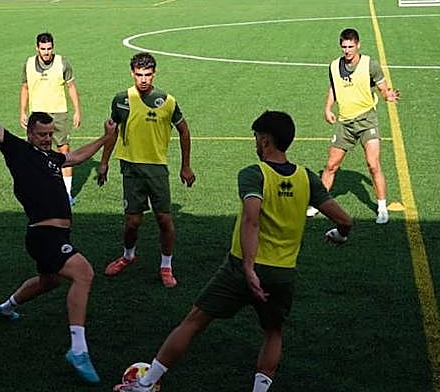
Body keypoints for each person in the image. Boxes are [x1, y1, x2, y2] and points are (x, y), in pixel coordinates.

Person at [114, 111, 354, 392]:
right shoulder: (307, 178)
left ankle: (145, 384)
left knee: (195, 321)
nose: (255, 142)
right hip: (282, 274)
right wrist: (339, 235)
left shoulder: (254, 174)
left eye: (256, 137)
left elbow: (252, 219)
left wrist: (249, 268)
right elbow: (345, 221)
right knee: (273, 332)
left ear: (265, 140)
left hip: (241, 268)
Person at [0, 64, 114, 384]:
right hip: (43, 234)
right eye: (42, 135)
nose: (47, 139)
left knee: (49, 282)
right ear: (29, 133)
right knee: (84, 272)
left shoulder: (51, 157)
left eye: (50, 135)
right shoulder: (17, 151)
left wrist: (105, 138)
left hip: (55, 233)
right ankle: (78, 349)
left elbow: (74, 157)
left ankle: (5, 308)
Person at [97, 51, 193, 288]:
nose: (143, 79)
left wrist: (186, 165)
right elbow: (112, 133)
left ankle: (166, 265)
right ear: (132, 73)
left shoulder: (167, 101)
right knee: (132, 221)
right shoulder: (121, 100)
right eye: (139, 74)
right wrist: (104, 162)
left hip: (157, 168)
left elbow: (184, 131)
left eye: (147, 75)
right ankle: (128, 256)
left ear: (154, 74)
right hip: (130, 167)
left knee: (164, 219)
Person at [314, 27, 400, 224]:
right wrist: (328, 108)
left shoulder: (371, 64)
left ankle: (381, 207)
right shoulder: (334, 66)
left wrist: (388, 95)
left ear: (358, 45)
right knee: (331, 166)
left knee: (373, 164)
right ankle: (318, 204)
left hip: (367, 120)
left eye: (351, 46)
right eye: (344, 46)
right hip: (344, 123)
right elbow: (333, 88)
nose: (347, 50)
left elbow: (383, 88)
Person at [20, 31, 83, 205]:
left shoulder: (63, 63)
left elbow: (71, 87)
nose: (46, 52)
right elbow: (25, 88)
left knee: (64, 152)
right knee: (35, 154)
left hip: (59, 114)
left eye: (49, 48)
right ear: (37, 48)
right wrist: (22, 111)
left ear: (53, 47)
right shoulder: (28, 64)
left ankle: (67, 194)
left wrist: (77, 110)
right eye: (43, 49)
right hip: (37, 115)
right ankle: (38, 190)